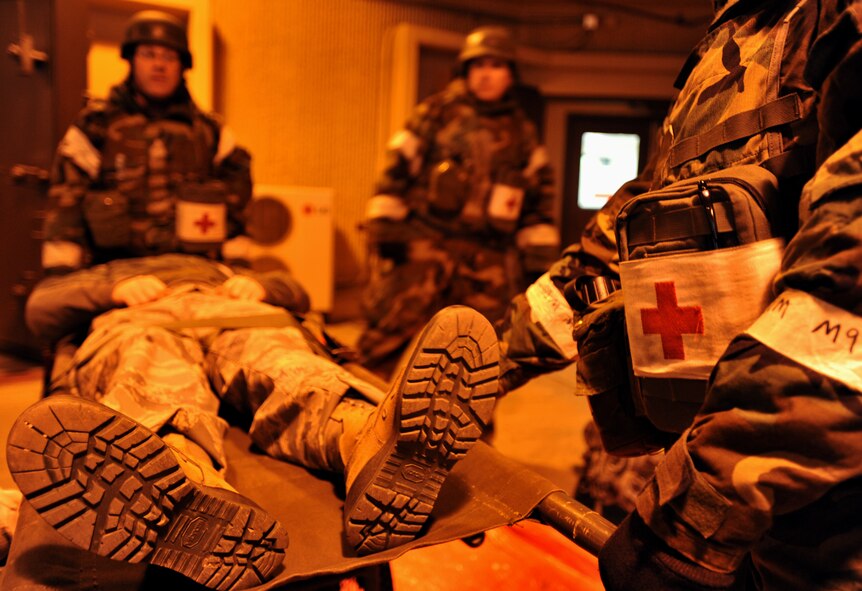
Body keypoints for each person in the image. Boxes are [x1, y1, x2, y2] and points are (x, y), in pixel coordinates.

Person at [5, 10, 500, 590]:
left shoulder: (212, 137)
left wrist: (259, 284)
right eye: (149, 54)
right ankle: (184, 483)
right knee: (149, 368)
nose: (159, 63)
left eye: (169, 55)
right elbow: (45, 303)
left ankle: (367, 441)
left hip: (223, 293)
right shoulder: (92, 134)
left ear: (183, 65)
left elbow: (293, 290)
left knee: (283, 360)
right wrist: (106, 289)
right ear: (132, 61)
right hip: (134, 306)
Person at [495, 0, 862, 589]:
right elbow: (638, 226)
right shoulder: (736, 35)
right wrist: (495, 361)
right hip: (724, 465)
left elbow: (845, 302)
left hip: (820, 509)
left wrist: (692, 523)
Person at [358, 25, 560, 368]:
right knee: (389, 333)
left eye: (496, 65)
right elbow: (396, 169)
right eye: (478, 65)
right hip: (426, 244)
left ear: (510, 75)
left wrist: (538, 263)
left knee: (479, 348)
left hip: (488, 256)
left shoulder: (523, 134)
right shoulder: (436, 113)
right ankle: (367, 397)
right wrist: (386, 232)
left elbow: (538, 199)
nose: (486, 74)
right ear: (465, 71)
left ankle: (461, 403)